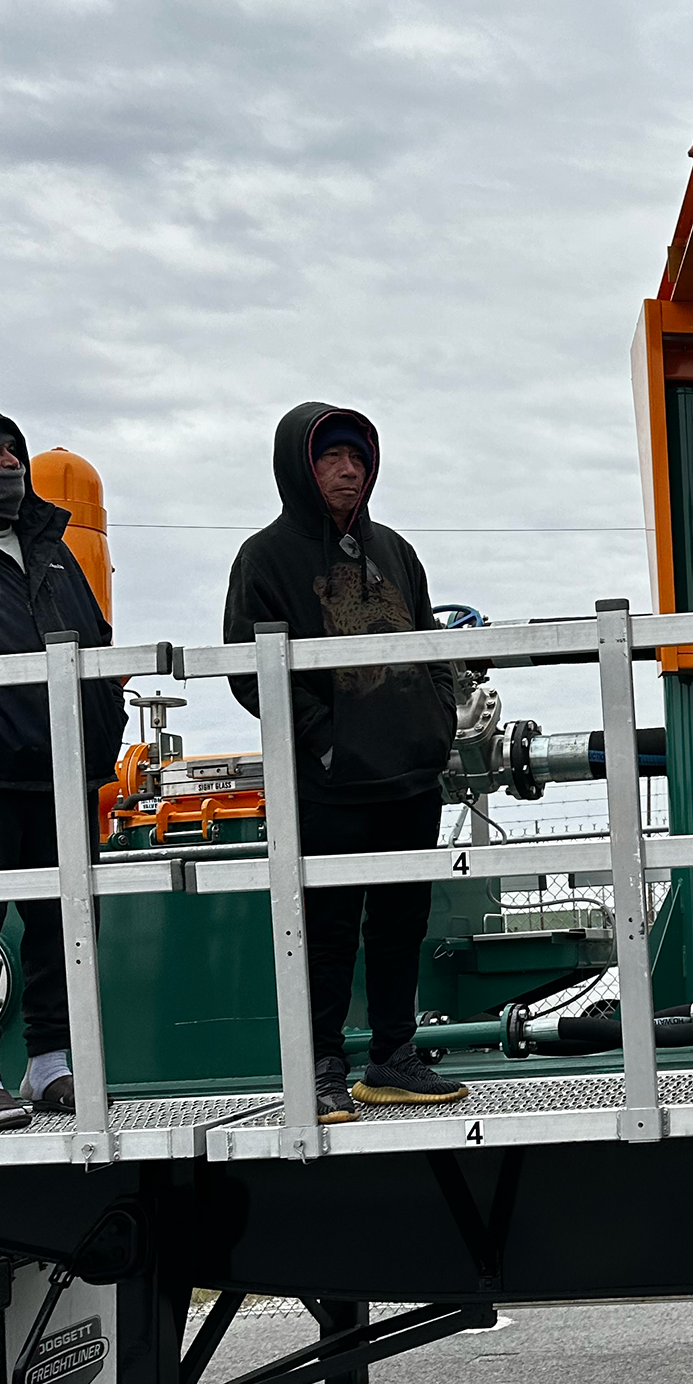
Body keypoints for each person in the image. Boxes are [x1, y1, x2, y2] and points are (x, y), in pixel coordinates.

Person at [225, 405, 468, 1122]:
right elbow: (249, 671)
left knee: (402, 925)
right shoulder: (264, 559)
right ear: (301, 467)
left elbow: (431, 645)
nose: (347, 469)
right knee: (325, 929)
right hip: (329, 786)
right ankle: (321, 1067)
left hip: (410, 779)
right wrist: (323, 742)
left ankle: (393, 1055)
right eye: (331, 456)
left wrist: (438, 721)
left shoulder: (395, 551)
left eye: (358, 458)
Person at [0, 403, 126, 1131]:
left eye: (15, 454)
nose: (13, 465)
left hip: (67, 770)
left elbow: (96, 640)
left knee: (70, 924)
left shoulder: (52, 548)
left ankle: (52, 1063)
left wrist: (102, 722)